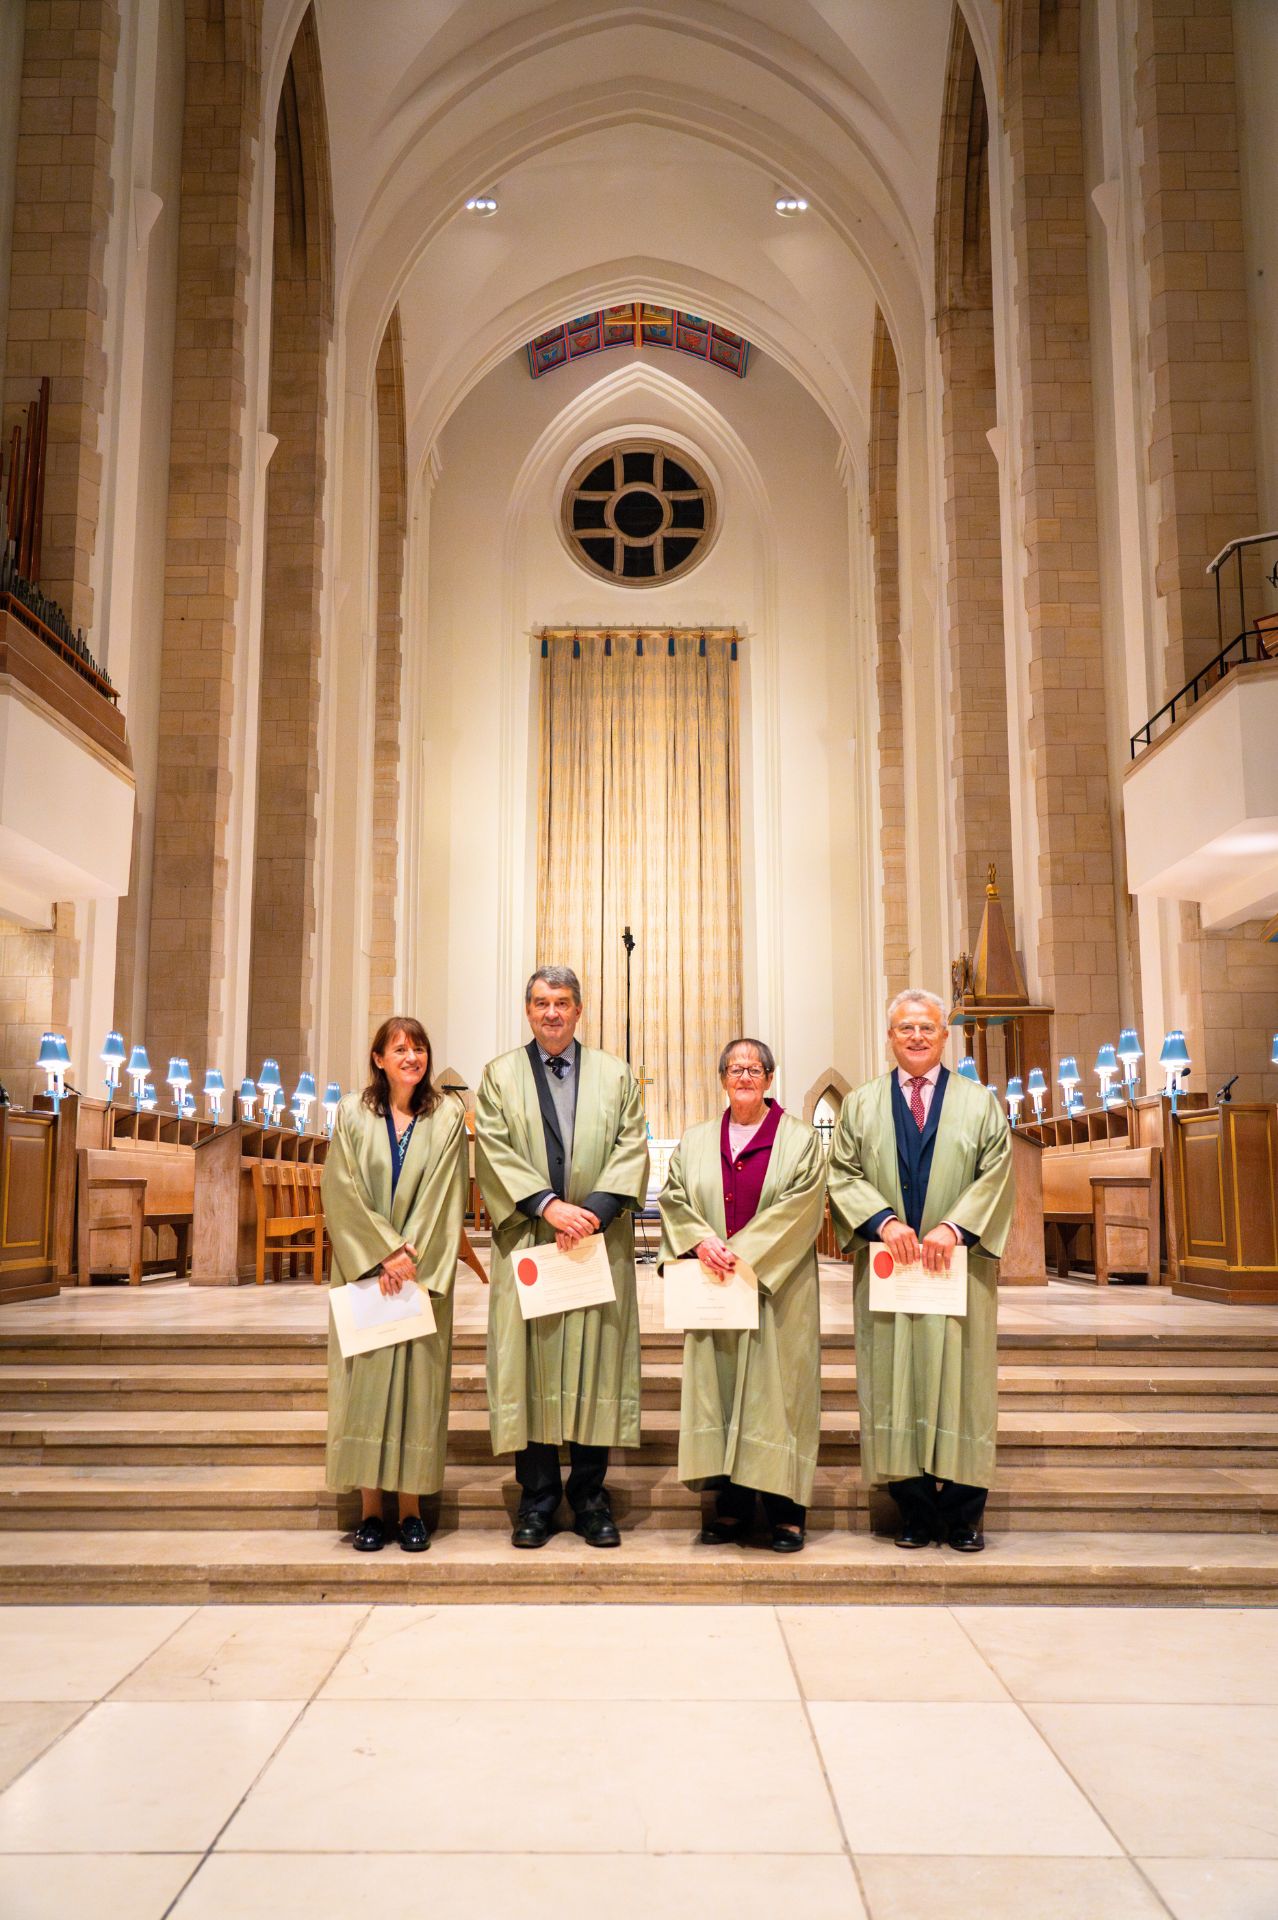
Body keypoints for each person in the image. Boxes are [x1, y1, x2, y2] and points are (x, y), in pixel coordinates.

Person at [827, 988, 1013, 1553]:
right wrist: (882, 1221)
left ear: (943, 1035)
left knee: (962, 1384)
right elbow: (842, 1172)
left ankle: (962, 1515)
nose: (915, 1037)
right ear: (890, 1037)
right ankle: (912, 1509)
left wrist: (954, 1228)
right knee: (894, 1382)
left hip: (956, 1268)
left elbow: (998, 1173)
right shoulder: (859, 1105)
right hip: (892, 1268)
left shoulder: (980, 1103)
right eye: (904, 1028)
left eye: (926, 1029)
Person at [475, 966, 649, 1549]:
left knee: (596, 1362)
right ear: (528, 1011)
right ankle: (538, 1499)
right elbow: (494, 1150)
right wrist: (550, 1207)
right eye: (542, 1003)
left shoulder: (616, 1074)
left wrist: (593, 1211)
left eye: (564, 1003)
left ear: (580, 1011)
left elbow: (631, 1143)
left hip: (593, 1244)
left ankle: (592, 1498)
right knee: (534, 1365)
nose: (553, 1012)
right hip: (531, 1238)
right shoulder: (499, 1076)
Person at [659, 1038, 827, 1551]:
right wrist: (699, 1240)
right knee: (722, 1392)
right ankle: (728, 1505)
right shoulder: (697, 1138)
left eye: (755, 1069)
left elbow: (805, 1203)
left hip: (778, 1290)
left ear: (770, 1079)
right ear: (723, 1078)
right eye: (735, 1069)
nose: (745, 1077)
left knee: (779, 1395)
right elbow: (674, 1195)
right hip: (714, 1287)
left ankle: (785, 1511)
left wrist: (742, 1251)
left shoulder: (798, 1140)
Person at [321, 1016, 467, 1552]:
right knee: (365, 1384)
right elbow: (340, 1188)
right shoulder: (353, 1114)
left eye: (420, 1047)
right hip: (366, 1274)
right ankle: (370, 1512)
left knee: (416, 1389)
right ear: (378, 1058)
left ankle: (410, 1511)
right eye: (399, 1048)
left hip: (418, 1276)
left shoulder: (447, 1115)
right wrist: (383, 1252)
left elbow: (445, 1194)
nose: (412, 1057)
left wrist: (409, 1258)